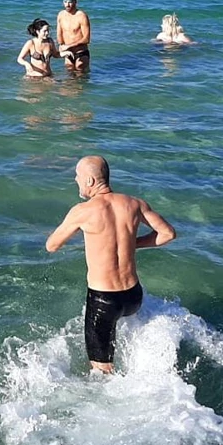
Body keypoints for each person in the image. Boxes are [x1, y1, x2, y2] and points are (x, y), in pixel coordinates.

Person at [45, 156, 176, 374]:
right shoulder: (135, 204)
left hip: (104, 300)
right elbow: (168, 234)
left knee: (102, 370)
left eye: (77, 176)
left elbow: (52, 245)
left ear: (89, 181)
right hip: (133, 296)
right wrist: (132, 244)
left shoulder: (82, 211)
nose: (75, 180)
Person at [56, 0, 91, 72]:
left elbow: (86, 39)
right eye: (65, 2)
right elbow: (59, 33)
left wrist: (69, 46)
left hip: (81, 53)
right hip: (68, 53)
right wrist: (60, 45)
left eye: (70, 2)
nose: (67, 5)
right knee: (69, 76)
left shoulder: (81, 16)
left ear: (75, 2)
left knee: (80, 74)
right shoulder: (61, 15)